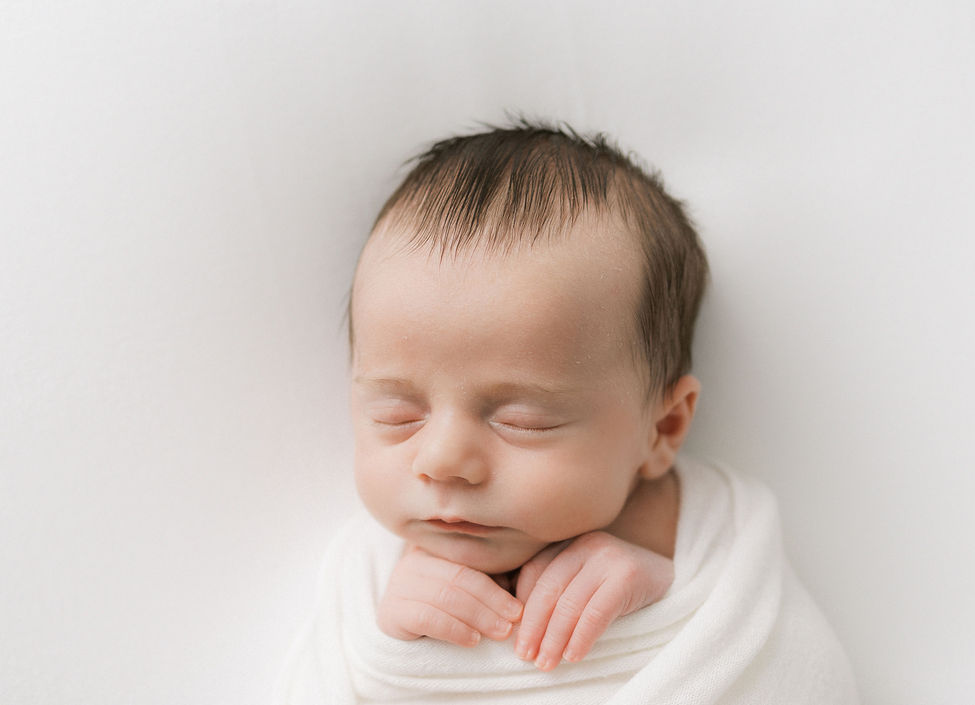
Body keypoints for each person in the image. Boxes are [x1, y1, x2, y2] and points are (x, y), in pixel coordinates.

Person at [276, 121, 859, 704]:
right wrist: (396, 650)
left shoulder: (714, 544)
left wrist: (663, 590)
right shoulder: (371, 576)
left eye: (523, 421)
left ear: (663, 428)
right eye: (397, 413)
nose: (443, 460)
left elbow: (788, 670)